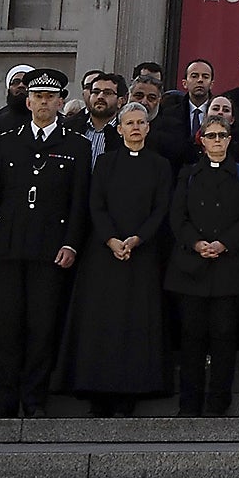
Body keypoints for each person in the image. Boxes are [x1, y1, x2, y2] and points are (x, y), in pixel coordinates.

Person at [0, 68, 90, 419]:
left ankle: (35, 399)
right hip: (9, 247)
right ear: (28, 101)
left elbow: (78, 202)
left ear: (60, 102)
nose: (43, 103)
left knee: (42, 327)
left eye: (50, 97)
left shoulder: (77, 146)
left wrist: (71, 244)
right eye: (37, 97)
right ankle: (5, 400)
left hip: (50, 249)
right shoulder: (7, 142)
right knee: (7, 326)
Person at [57, 99, 172, 416]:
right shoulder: (105, 163)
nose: (136, 128)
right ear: (119, 129)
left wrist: (137, 239)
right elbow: (96, 204)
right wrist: (111, 239)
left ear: (148, 127)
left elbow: (161, 209)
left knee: (136, 324)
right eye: (130, 123)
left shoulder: (160, 165)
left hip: (142, 255)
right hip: (104, 255)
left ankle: (130, 394)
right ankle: (97, 392)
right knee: (101, 323)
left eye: (141, 122)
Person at [168, 109, 239, 415]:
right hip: (192, 268)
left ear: (230, 140)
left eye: (222, 135)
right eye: (211, 136)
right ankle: (189, 402)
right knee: (192, 338)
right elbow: (177, 217)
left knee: (224, 336)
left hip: (229, 267)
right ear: (201, 141)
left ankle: (219, 401)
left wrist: (224, 243)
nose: (217, 141)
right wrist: (196, 243)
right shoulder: (188, 175)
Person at [0, 65, 33, 138]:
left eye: (26, 82)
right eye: (16, 82)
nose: (21, 85)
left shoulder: (47, 117)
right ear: (9, 88)